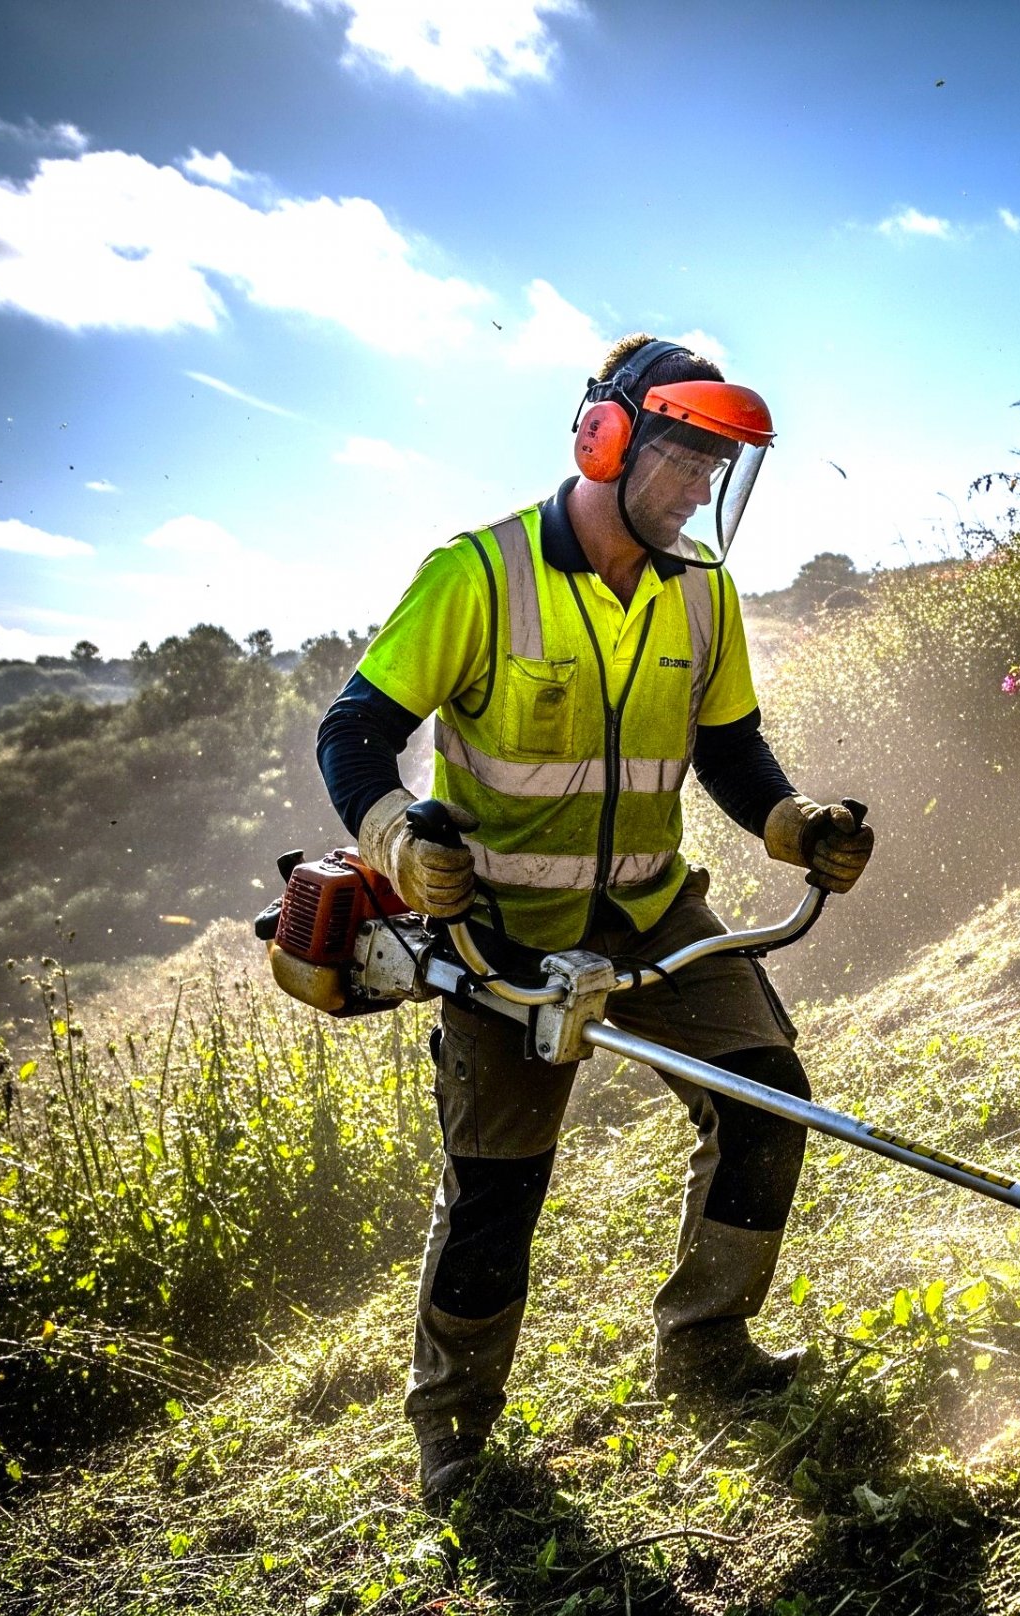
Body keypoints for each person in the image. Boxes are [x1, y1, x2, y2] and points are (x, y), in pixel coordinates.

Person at [316, 334, 875, 1503]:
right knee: (497, 1191)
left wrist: (791, 822)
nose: (696, 490)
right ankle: (456, 1438)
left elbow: (725, 749)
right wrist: (400, 843)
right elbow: (353, 733)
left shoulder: (701, 590)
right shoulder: (479, 575)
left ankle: (708, 1348)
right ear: (605, 435)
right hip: (501, 933)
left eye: (717, 468)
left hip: (653, 909)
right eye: (681, 459)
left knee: (768, 1099)